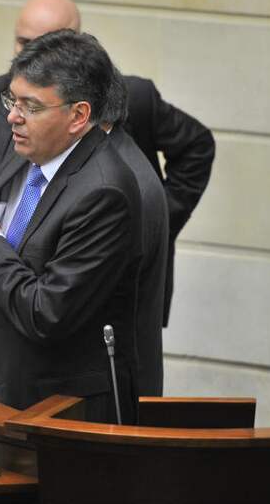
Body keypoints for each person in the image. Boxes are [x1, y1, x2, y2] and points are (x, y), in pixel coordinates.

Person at [0, 0, 215, 326]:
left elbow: (197, 147)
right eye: (23, 41)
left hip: (83, 319)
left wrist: (151, 223)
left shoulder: (123, 121)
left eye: (33, 107)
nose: (32, 55)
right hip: (9, 318)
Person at [0, 30, 142, 424]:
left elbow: (46, 312)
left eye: (30, 106)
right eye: (12, 100)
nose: (12, 117)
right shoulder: (28, 149)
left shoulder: (105, 192)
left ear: (78, 116)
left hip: (59, 410)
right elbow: (9, 233)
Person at [99, 80, 169, 396]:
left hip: (113, 394)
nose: (17, 117)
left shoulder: (117, 186)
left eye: (37, 106)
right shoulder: (116, 159)